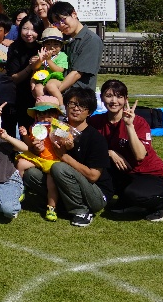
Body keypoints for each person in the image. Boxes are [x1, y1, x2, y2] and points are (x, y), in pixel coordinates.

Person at [21, 87, 112, 227]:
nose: (76, 109)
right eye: (72, 104)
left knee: (59, 167)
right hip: (68, 180)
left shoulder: (96, 138)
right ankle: (59, 204)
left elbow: (93, 176)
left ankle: (81, 210)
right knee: (31, 174)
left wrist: (64, 156)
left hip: (96, 193)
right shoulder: (57, 129)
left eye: (82, 106)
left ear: (89, 112)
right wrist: (37, 148)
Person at [90, 80, 163, 222]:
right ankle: (128, 201)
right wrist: (110, 152)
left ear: (126, 100)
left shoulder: (139, 122)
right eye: (109, 96)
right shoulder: (96, 121)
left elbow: (140, 155)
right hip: (120, 172)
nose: (114, 101)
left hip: (146, 173)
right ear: (102, 98)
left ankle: (162, 203)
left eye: (119, 96)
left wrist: (129, 125)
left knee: (135, 194)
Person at [15, 96, 65, 222]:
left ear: (56, 115)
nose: (45, 119)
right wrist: (25, 135)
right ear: (36, 116)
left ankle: (51, 208)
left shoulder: (60, 127)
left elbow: (68, 142)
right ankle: (20, 188)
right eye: (41, 115)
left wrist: (63, 140)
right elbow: (30, 146)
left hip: (53, 161)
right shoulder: (35, 128)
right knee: (20, 163)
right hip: (38, 158)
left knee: (51, 183)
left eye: (49, 116)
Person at [47, 1, 103, 95]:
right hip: (61, 93)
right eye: (56, 23)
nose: (61, 25)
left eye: (63, 19)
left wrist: (52, 92)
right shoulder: (63, 39)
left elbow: (76, 74)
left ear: (74, 14)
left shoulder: (91, 40)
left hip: (79, 96)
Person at [6, 14, 43, 129]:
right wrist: (30, 67)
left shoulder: (44, 46)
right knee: (24, 130)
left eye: (33, 30)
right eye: (25, 29)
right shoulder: (15, 48)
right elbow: (14, 78)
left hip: (41, 96)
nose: (29, 33)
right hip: (20, 97)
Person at [32, 28, 69, 102]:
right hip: (41, 80)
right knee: (38, 88)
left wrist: (48, 60)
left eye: (56, 44)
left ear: (61, 46)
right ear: (43, 45)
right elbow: (34, 68)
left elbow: (60, 70)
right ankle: (42, 105)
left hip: (55, 79)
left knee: (50, 85)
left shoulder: (62, 56)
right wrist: (39, 60)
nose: (52, 47)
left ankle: (61, 104)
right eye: (48, 44)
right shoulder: (41, 55)